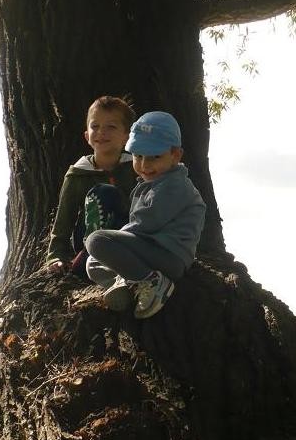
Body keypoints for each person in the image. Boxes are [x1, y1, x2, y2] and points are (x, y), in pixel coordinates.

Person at [85, 111, 206, 319]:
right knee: (92, 263)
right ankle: (128, 285)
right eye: (138, 156)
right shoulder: (151, 184)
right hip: (151, 250)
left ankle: (152, 282)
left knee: (97, 241)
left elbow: (144, 224)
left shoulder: (174, 185)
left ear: (175, 155)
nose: (144, 165)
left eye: (154, 157)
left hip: (169, 255)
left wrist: (113, 239)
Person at [46, 95, 137, 278]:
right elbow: (64, 220)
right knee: (103, 193)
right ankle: (90, 259)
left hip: (128, 234)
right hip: (90, 237)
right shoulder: (78, 175)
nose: (102, 132)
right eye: (95, 126)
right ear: (87, 136)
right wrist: (56, 256)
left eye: (111, 126)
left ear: (127, 136)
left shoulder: (136, 168)